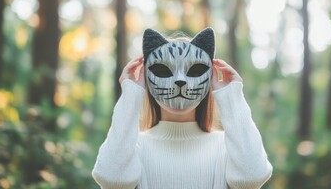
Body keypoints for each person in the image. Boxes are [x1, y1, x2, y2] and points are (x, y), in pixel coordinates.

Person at [92, 28, 273, 189]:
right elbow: (111, 180)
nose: (180, 80)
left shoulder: (228, 149)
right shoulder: (131, 149)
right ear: (146, 79)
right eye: (163, 71)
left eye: (195, 71)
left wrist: (232, 96)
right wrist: (131, 94)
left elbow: (252, 178)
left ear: (210, 78)